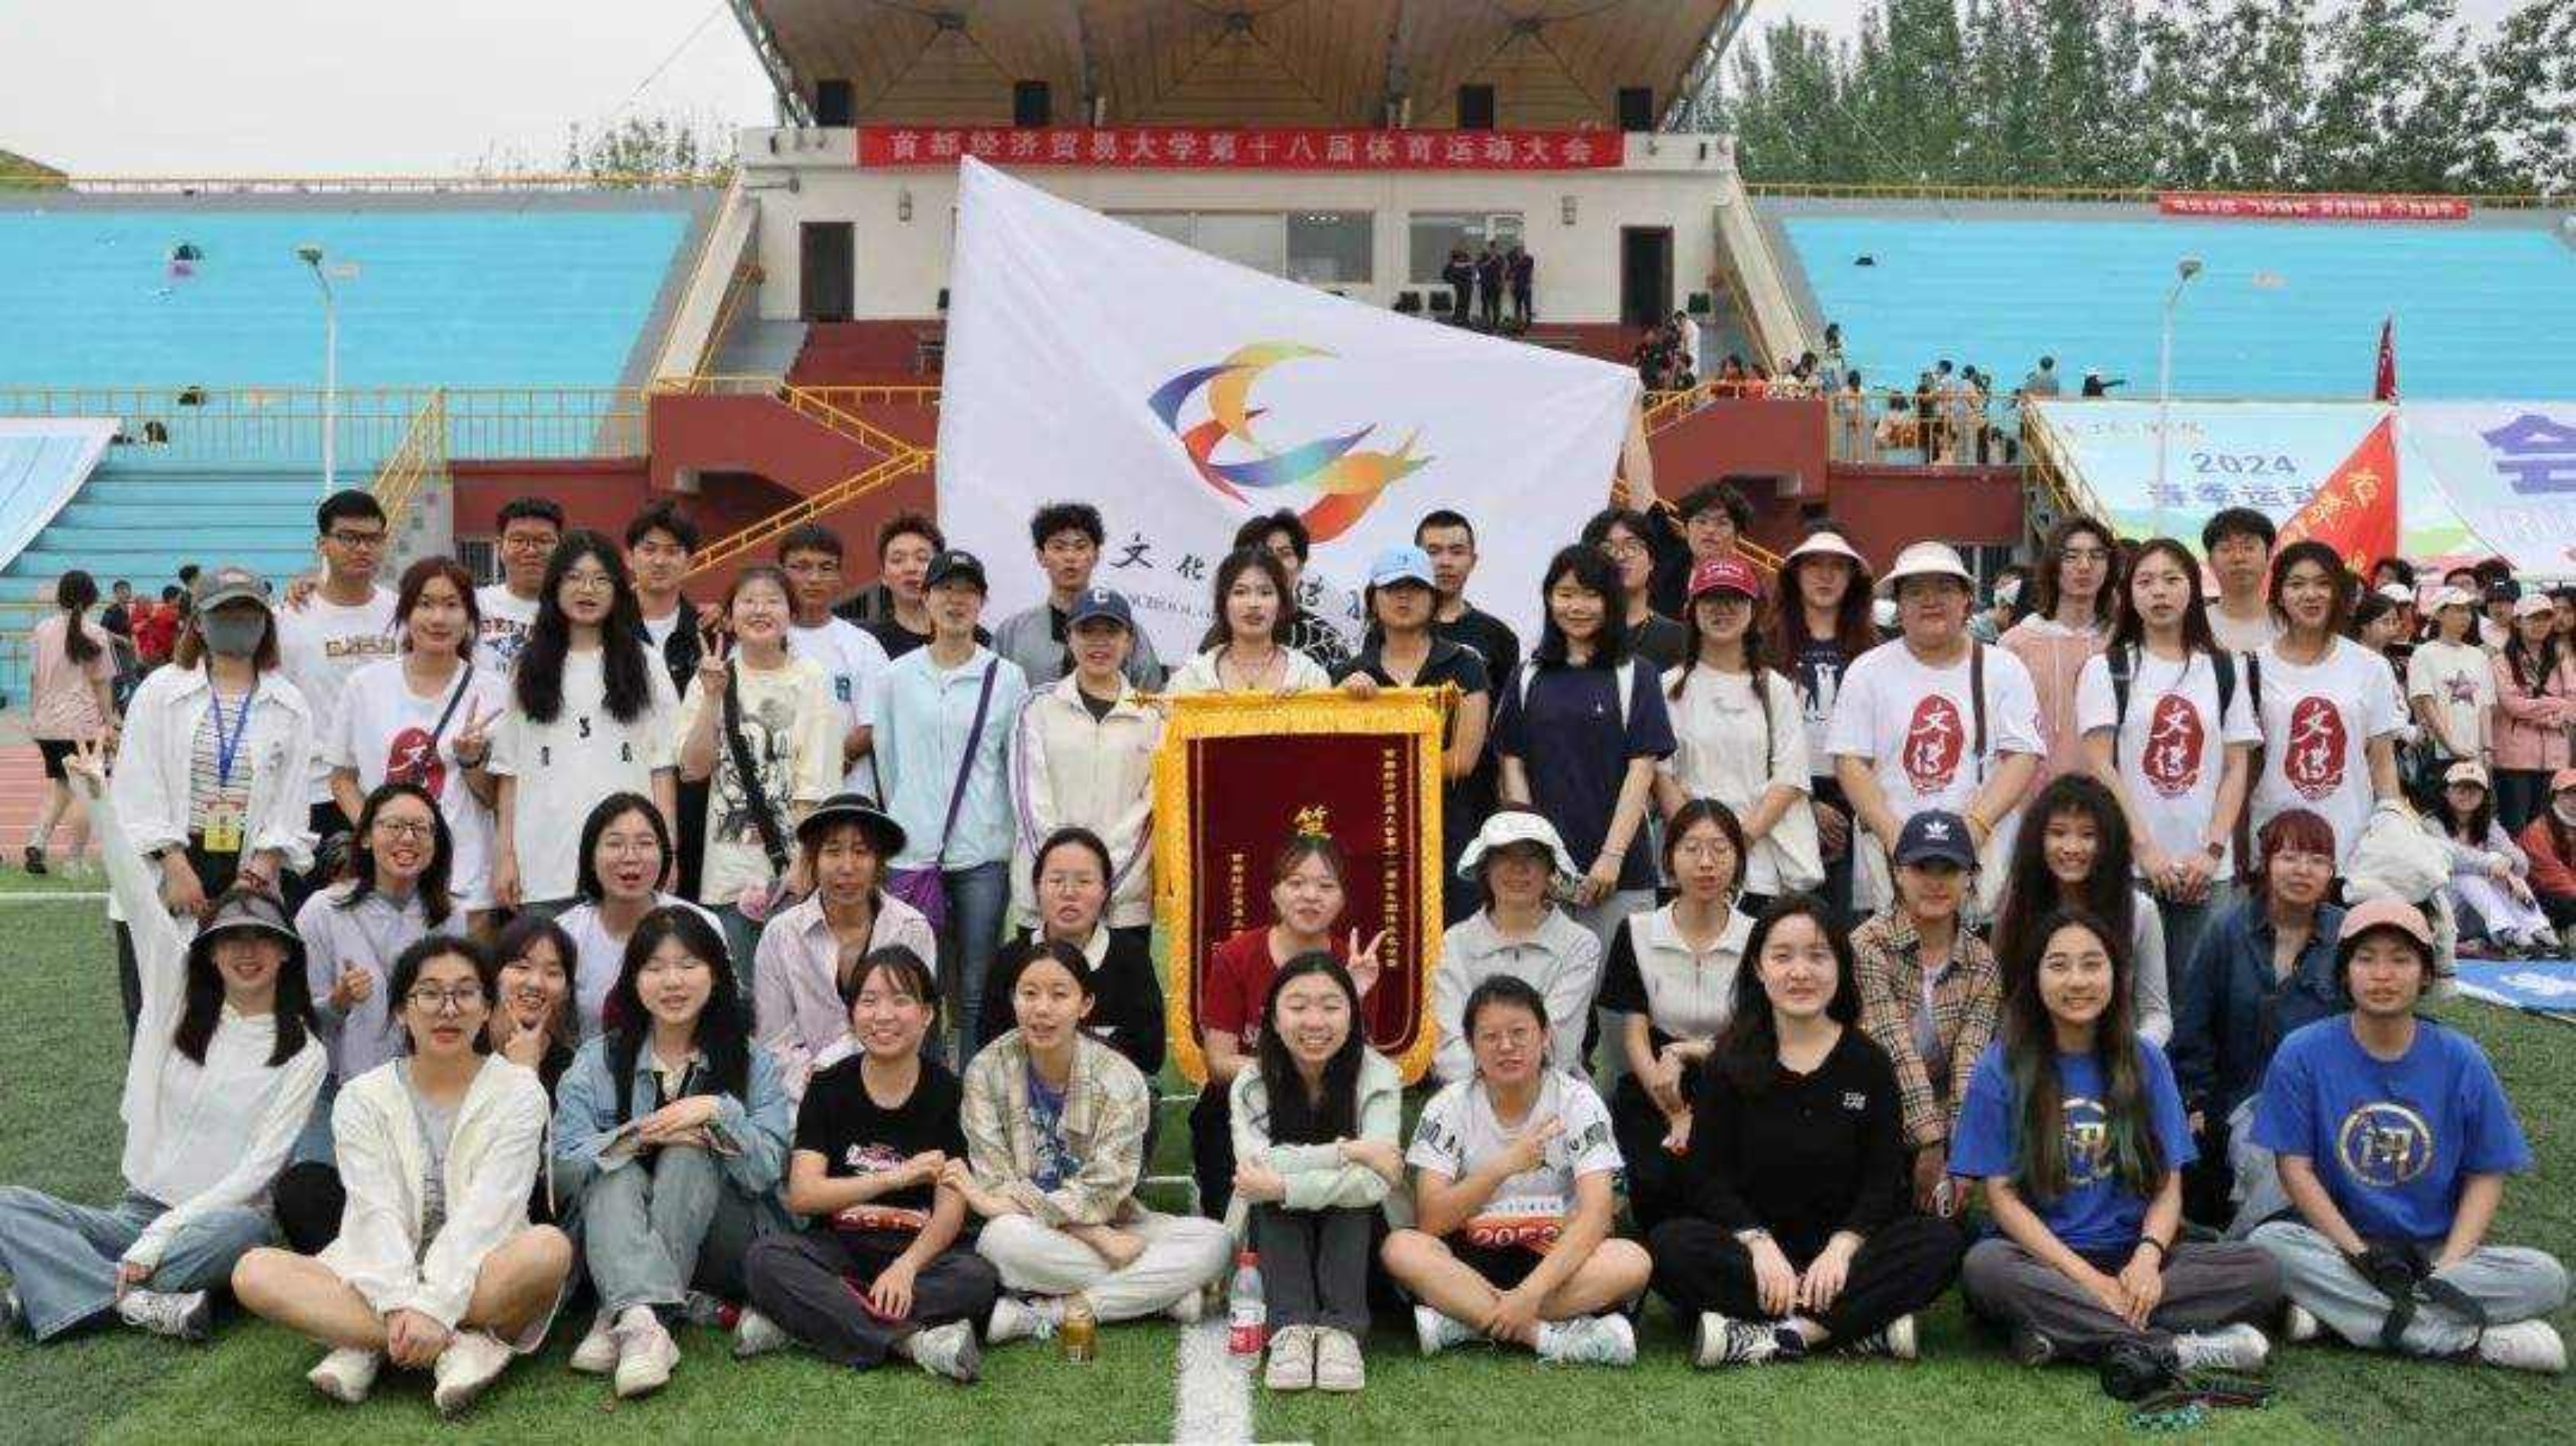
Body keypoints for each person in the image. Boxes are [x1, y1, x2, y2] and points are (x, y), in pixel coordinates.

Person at [0, 739, 324, 1343]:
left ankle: (62, 1288)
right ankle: (138, 1303)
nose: (246, 952)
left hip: (211, 1223)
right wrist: (101, 802)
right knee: (7, 1205)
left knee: (244, 1237)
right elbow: (136, 895)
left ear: (285, 953)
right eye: (231, 939)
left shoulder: (305, 1051)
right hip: (136, 1209)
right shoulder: (176, 989)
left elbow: (260, 1169)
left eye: (261, 939)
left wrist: (160, 1237)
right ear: (210, 951)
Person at [229, 935, 570, 1413]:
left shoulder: (519, 1092)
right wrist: (397, 1302)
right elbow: (374, 1212)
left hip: (483, 1268)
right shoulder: (361, 1098)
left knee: (549, 1249)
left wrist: (435, 1304)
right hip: (378, 1271)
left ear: (487, 1009)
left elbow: (491, 1209)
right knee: (254, 1271)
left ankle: (364, 1342)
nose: (447, 1009)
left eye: (465, 993)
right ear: (401, 1012)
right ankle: (454, 1345)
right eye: (429, 993)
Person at [1952, 906, 2281, 1371]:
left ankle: (2063, 1333)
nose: (2077, 981)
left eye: (2092, 964)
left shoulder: (2147, 1060)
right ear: (2035, 978)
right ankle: (2175, 1349)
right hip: (2044, 1260)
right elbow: (2002, 1198)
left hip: (2134, 1254)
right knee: (1985, 1269)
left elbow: (2168, 1186)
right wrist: (2091, 1281)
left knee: (2261, 1270)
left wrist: (2146, 1260)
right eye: (2059, 965)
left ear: (2116, 975)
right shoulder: (2000, 1065)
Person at [2249, 899, 2569, 1373]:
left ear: (2425, 975)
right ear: (2345, 974)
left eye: (2400, 960)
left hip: (2435, 1252)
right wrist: (2361, 1256)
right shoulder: (2302, 1053)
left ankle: (2339, 1321)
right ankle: (2463, 1340)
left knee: (2548, 1277)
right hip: (2341, 1247)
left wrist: (2448, 1268)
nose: (2383, 975)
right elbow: (2294, 1170)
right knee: (2270, 1245)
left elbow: (2486, 1173)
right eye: (2366, 959)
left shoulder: (2462, 1059)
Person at [1647, 896, 1965, 1366]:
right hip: (1753, 1254)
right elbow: (1706, 1179)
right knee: (1669, 1246)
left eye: (1818, 956)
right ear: (1758, 968)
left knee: (1940, 1243)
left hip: (1845, 1257)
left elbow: (1883, 1182)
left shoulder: (1869, 1063)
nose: (1800, 972)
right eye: (1782, 957)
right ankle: (1858, 1327)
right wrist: (1758, 1244)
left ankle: (1786, 1334)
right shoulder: (1728, 1063)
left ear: (1840, 967)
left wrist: (1843, 1247)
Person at [553, 906, 791, 1397]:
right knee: (613, 1171)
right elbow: (561, 1171)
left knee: (691, 1153)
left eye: (688, 965)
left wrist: (717, 1112)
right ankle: (645, 1323)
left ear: (716, 974)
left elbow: (768, 1170)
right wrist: (640, 1136)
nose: (673, 981)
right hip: (615, 1235)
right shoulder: (597, 1060)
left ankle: (620, 1310)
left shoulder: (754, 1063)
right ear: (633, 980)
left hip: (722, 1242)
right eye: (655, 967)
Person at [737, 944, 998, 1383]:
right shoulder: (828, 1087)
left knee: (977, 1279)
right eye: (869, 1001)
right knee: (764, 1259)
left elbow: (950, 1212)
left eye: (901, 1001)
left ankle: (808, 1320)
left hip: (919, 1254)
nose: (883, 1016)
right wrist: (896, 1176)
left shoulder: (948, 1092)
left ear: (927, 1014)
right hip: (840, 1248)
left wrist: (906, 1268)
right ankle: (911, 1342)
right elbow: (804, 1195)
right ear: (852, 1013)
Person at [951, 941, 1232, 1338]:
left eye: (1059, 995)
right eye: (1029, 994)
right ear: (1013, 1000)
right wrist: (1093, 1237)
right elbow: (996, 1182)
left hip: (1112, 1223)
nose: (1042, 1009)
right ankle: (1162, 1293)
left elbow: (1107, 1187)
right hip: (1034, 1231)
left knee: (1216, 1242)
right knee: (1001, 1240)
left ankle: (1049, 1312)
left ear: (1085, 1004)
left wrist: (1097, 1230)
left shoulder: (1120, 1077)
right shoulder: (985, 1071)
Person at [1381, 976, 1650, 1366]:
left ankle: (1469, 1321)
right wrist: (1506, 1165)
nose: (1506, 1046)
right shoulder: (1448, 1105)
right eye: (1490, 1037)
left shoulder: (1578, 1101)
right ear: (1472, 1045)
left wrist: (1529, 1294)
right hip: (1472, 1256)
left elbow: (1596, 1218)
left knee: (1631, 1260)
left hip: (1555, 1258)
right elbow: (1432, 1220)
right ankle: (1544, 1336)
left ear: (1545, 1035)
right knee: (1401, 1248)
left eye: (1519, 1033)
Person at [108, 566, 317, 1035]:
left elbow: (292, 801)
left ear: (265, 623)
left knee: (238, 1027)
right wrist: (174, 864)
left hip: (248, 875)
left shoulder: (289, 702)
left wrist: (254, 876)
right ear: (198, 622)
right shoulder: (160, 690)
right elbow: (137, 784)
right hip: (166, 872)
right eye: (225, 612)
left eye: (249, 613)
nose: (238, 623)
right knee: (156, 1022)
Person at [273, 783, 456, 1254]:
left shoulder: (449, 917)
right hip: (338, 1091)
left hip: (425, 1092)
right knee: (306, 1195)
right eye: (394, 826)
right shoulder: (323, 911)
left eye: (421, 829)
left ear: (436, 843)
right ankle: (357, 1269)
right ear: (368, 837)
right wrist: (337, 1002)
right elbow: (295, 1022)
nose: (407, 838)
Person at [869, 548, 1030, 1054]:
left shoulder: (1006, 677)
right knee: (919, 985)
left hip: (983, 854)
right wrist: (910, 821)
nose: (955, 601)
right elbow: (888, 763)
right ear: (926, 597)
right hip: (913, 855)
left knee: (978, 987)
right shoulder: (897, 676)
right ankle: (930, 1084)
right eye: (945, 589)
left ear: (982, 602)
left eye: (967, 591)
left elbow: (1013, 766)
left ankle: (975, 1085)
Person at [1830, 541, 2042, 917]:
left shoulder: (2004, 669)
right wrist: (1897, 839)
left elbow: (2023, 756)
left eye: (1944, 588)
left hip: (1979, 864)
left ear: (1966, 599)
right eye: (1915, 591)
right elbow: (1850, 761)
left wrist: (1973, 830)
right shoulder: (1867, 671)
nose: (1930, 601)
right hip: (1892, 868)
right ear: (1899, 604)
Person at [2079, 537, 2259, 980]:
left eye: (2172, 580)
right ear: (2129, 594)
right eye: (2145, 582)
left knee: (2198, 993)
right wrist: (2145, 849)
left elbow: (2236, 766)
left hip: (2207, 868)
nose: (2159, 591)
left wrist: (2212, 850)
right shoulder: (2107, 669)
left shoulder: (2225, 668)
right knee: (2126, 988)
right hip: (2130, 865)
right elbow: (2101, 765)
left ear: (2193, 588)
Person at [1494, 545, 1676, 976]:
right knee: (1542, 1000)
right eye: (1566, 594)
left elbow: (1642, 770)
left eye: (1591, 595)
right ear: (1549, 598)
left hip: (1621, 874)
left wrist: (1611, 857)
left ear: (1611, 601)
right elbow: (1512, 764)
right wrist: (1538, 855)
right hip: (1543, 881)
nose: (1577, 607)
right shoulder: (1528, 675)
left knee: (1617, 1002)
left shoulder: (1637, 674)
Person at [1228, 951, 1404, 1393]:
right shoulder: (1251, 1081)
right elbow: (1256, 1169)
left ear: (1352, 1013)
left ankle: (1341, 1332)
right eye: (1298, 1006)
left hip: (1362, 1240)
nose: (1315, 1021)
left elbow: (1376, 1182)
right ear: (1273, 1018)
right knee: (1270, 1200)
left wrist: (1286, 1184)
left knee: (1348, 1201)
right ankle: (1290, 1330)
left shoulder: (1379, 1074)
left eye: (1330, 1006)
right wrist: (1351, 1151)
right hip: (1275, 1236)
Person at [2166, 808, 2346, 1230]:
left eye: (2317, 860)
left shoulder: (2347, 937)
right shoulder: (2226, 931)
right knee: (2268, 1153)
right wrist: (2196, 1100)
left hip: (2326, 1101)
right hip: (2240, 1104)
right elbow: (2193, 1027)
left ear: (2332, 871)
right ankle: (2255, 1243)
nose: (2303, 870)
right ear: (2266, 863)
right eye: (2289, 857)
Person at [488, 532, 682, 915]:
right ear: (555, 586)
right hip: (543, 862)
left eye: (600, 579)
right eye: (574, 578)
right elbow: (510, 771)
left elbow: (662, 767)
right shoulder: (527, 666)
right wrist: (505, 855)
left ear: (618, 590)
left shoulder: (645, 662)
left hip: (628, 865)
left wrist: (668, 850)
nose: (587, 590)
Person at [1195, 833, 1385, 1219]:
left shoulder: (1355, 966)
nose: (1310, 896)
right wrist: (1292, 1068)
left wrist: (1352, 995)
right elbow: (1219, 1063)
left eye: (1326, 886)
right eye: (1296, 883)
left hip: (1325, 1112)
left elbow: (1358, 1067)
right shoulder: (1236, 956)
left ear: (1342, 899)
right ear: (1275, 894)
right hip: (1247, 1106)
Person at [676, 563, 840, 973]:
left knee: (800, 989)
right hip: (727, 874)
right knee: (741, 992)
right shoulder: (711, 678)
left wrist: (803, 865)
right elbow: (693, 769)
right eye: (748, 601)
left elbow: (817, 780)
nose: (760, 610)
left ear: (791, 614)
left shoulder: (811, 678)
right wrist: (712, 697)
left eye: (772, 601)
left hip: (794, 873)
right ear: (730, 616)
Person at [327, 557, 509, 925]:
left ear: (469, 618)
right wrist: (378, 830)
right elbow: (342, 778)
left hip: (465, 883)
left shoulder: (495, 691)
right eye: (425, 604)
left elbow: (496, 799)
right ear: (406, 612)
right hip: (384, 878)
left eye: (452, 605)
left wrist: (471, 761)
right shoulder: (365, 686)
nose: (438, 618)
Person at [1599, 800, 1753, 1230]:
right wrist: (1675, 1112)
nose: (1706, 863)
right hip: (1654, 1080)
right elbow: (1634, 1037)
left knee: (1727, 1174)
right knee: (1659, 1175)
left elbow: (1754, 1031)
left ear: (1738, 859)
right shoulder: (1637, 931)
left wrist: (1689, 1051)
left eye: (1720, 849)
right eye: (1692, 848)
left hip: (1732, 1075)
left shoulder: (1757, 935)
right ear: (1668, 858)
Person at [1848, 810, 2001, 1223]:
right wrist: (1931, 1143)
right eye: (1921, 868)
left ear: (1969, 877)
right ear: (1898, 873)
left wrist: (1961, 1153)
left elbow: (1970, 1063)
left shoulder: (1983, 961)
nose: (1935, 882)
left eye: (1948, 869)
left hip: (1944, 1113)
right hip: (1871, 1107)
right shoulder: (1867, 944)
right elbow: (1891, 1046)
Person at [1336, 546, 1494, 919]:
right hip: (1371, 834)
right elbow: (1339, 764)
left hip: (1448, 831)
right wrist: (1343, 703)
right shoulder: (1349, 675)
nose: (1404, 597)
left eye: (1416, 588)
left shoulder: (1465, 665)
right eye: (1392, 588)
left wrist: (1384, 768)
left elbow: (1462, 760)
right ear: (1373, 600)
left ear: (1434, 598)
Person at [1656, 557, 1819, 910]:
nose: (1723, 609)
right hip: (1685, 866)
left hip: (1758, 867)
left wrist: (1736, 843)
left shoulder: (1775, 688)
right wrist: (1697, 843)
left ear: (1753, 610)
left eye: (1735, 599)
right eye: (1711, 599)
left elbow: (1789, 777)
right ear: (1692, 610)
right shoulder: (1667, 687)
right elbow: (1661, 775)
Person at [753, 794, 937, 1101]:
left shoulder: (911, 929)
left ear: (879, 863)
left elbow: (910, 1026)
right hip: (801, 1094)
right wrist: (818, 1084)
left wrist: (834, 1069)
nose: (847, 867)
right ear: (813, 860)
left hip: (890, 1088)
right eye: (833, 851)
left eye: (861, 852)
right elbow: (773, 1040)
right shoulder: (781, 934)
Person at [1006, 588, 1161, 944]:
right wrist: (1062, 879)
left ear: (1129, 640)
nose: (1099, 643)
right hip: (1045, 900)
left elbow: (1150, 809)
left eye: (1111, 632)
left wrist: (1103, 880)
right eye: (1087, 631)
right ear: (1069, 637)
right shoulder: (1036, 707)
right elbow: (1031, 804)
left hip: (1124, 901)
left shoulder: (1154, 715)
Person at [2250, 540, 2406, 869]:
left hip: (2350, 836)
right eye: (2296, 584)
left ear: (2338, 593)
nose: (2311, 594)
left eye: (2322, 583)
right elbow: (2245, 764)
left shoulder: (2371, 667)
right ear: (2279, 595)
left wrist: (2393, 823)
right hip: (2275, 837)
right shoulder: (2252, 666)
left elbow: (2382, 760)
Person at [1991, 775, 2172, 1044]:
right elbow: (2002, 1006)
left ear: (2109, 841)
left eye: (2088, 835)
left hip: (2116, 1057)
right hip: (2033, 1058)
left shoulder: (2141, 912)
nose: (2071, 848)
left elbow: (2157, 1015)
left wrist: (2131, 1055)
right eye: (2058, 833)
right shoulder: (2015, 907)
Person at [978, 828, 1165, 1076]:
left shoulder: (1130, 957)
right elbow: (990, 1046)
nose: (1069, 893)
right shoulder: (1011, 959)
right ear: (1037, 888)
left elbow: (1150, 1053)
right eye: (1056, 881)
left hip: (1111, 1091)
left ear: (1105, 890)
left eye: (1084, 882)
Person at [1433, 811, 1600, 1085]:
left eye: (1532, 857)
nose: (1518, 868)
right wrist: (1483, 1095)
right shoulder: (1455, 941)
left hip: (1555, 1092)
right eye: (1504, 855)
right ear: (1485, 867)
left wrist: (1517, 1094)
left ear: (1551, 870)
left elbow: (1559, 1044)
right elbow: (1450, 1042)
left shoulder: (1580, 944)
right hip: (1468, 1092)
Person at [275, 491, 401, 847]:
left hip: (391, 787)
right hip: (315, 791)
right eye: (348, 537)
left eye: (372, 538)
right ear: (322, 544)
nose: (362, 548)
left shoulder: (403, 614)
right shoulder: (288, 618)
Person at [1416, 510, 1520, 913]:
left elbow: (1507, 726)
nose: (1444, 561)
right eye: (1433, 551)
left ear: (1473, 560)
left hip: (1474, 802)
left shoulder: (1497, 637)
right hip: (1404, 795)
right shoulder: (1392, 629)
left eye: (1456, 551)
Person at [555, 794, 721, 1037]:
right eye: (615, 844)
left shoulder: (702, 924)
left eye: (645, 843)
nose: (631, 857)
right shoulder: (566, 933)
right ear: (590, 857)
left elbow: (725, 1012)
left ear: (664, 854)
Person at [1775, 528, 1877, 925]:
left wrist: (1848, 805)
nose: (1825, 575)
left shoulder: (1875, 649)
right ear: (1796, 574)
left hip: (1857, 804)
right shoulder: (1766, 645)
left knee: (1846, 928)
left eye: (1837, 566)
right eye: (1814, 565)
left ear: (1853, 577)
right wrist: (1805, 804)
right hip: (1783, 800)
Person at [2001, 516, 2117, 803]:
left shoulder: (2122, 644)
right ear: (2053, 565)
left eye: (2097, 556)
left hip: (2108, 799)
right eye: (2071, 556)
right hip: (2028, 799)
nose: (2085, 566)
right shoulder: (2015, 644)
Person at [777, 522, 892, 809]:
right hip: (776, 797)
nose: (814, 578)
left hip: (847, 798)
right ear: (781, 573)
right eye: (801, 567)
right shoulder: (759, 641)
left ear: (840, 576)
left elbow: (875, 721)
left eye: (826, 568)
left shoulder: (863, 645)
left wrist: (831, 762)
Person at [628, 503, 710, 898]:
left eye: (673, 551)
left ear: (689, 561)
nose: (660, 560)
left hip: (696, 794)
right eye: (649, 549)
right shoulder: (607, 633)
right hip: (627, 782)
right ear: (629, 556)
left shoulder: (711, 633)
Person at [991, 502, 1162, 689]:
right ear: (1041, 556)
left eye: (1080, 547)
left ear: (1096, 555)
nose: (1070, 557)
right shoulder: (1012, 633)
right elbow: (994, 696)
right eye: (1059, 547)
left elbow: (1151, 697)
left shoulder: (1125, 632)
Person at [23, 569, 118, 873]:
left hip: (47, 722)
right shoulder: (96, 633)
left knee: (63, 785)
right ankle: (74, 860)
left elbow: (34, 678)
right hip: (81, 725)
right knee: (87, 792)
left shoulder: (42, 630)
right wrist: (109, 723)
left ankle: (38, 841)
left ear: (60, 596)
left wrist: (34, 717)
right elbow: (102, 684)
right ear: (92, 598)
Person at [2424, 761, 2559, 957]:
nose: (2468, 794)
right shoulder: (2430, 824)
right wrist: (2492, 864)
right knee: (2467, 873)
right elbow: (2451, 855)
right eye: (2460, 788)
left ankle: (2538, 930)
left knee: (2500, 859)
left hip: (2480, 914)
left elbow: (2522, 862)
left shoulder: (2489, 825)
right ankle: (2507, 932)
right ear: (2446, 792)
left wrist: (2508, 864)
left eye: (2475, 789)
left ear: (2484, 796)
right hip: (2443, 912)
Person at [1168, 547, 1333, 695]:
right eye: (1240, 592)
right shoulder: (1191, 679)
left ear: (1281, 603)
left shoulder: (1308, 677)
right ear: (1223, 603)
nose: (1253, 604)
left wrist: (1305, 709)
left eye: (1265, 593)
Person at [2491, 592, 2572, 833]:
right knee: (2515, 826)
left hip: (2555, 758)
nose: (2541, 624)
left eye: (2546, 618)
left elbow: (2573, 701)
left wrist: (2556, 710)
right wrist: (2555, 705)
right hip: (2514, 758)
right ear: (2518, 621)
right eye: (2533, 618)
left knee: (2545, 831)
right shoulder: (2501, 660)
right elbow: (2512, 704)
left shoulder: (2560, 658)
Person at [1230, 510, 1351, 672]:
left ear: (1300, 565)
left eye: (1285, 554)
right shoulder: (1221, 635)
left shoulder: (1327, 640)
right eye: (1264, 554)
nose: (1274, 564)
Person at [2407, 586, 2494, 792]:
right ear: (2439, 614)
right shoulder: (2424, 654)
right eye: (2458, 610)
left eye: (2468, 610)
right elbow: (2426, 703)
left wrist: (2487, 749)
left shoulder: (2478, 656)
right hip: (2440, 754)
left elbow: (2485, 706)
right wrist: (2451, 746)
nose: (2466, 616)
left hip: (2475, 755)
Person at [1580, 508, 1687, 672]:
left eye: (1632, 546)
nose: (1620, 557)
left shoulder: (1678, 639)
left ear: (1651, 561)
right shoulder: (1574, 630)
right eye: (1607, 549)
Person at [473, 496, 563, 676]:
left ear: (560, 547)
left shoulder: (573, 613)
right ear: (500, 546)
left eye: (543, 541)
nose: (531, 550)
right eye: (518, 540)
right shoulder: (473, 605)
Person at [839, 512, 941, 654]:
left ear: (941, 570)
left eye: (922, 558)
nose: (911, 568)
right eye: (897, 560)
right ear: (883, 576)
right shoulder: (864, 641)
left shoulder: (967, 636)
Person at [2202, 508, 2279, 657]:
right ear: (2210, 561)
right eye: (2226, 549)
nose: (2238, 558)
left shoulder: (2292, 625)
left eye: (2249, 548)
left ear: (2269, 556)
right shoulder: (2194, 626)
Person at [2520, 769, 2576, 946]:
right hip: (2545, 896)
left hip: (2570, 891)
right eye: (2568, 793)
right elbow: (2552, 877)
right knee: (2566, 904)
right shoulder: (2537, 831)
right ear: (2554, 796)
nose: (2575, 800)